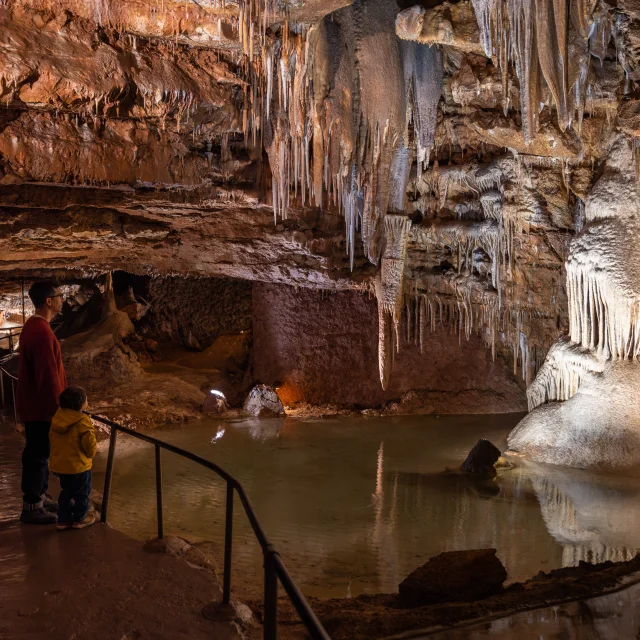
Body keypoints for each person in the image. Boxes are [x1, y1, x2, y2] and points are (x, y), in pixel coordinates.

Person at [16, 281, 67, 524]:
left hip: (34, 406)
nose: (61, 300)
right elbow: (48, 377)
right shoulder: (42, 333)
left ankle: (40, 497)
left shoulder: (33, 327)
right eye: (59, 296)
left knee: (40, 453)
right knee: (37, 455)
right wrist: (58, 410)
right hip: (41, 409)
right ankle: (32, 507)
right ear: (48, 301)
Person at [49, 386, 97, 530]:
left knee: (66, 492)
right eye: (86, 400)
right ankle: (79, 519)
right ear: (82, 404)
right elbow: (90, 446)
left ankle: (63, 520)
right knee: (82, 493)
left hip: (62, 465)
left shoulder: (58, 417)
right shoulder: (82, 421)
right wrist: (91, 454)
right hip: (79, 466)